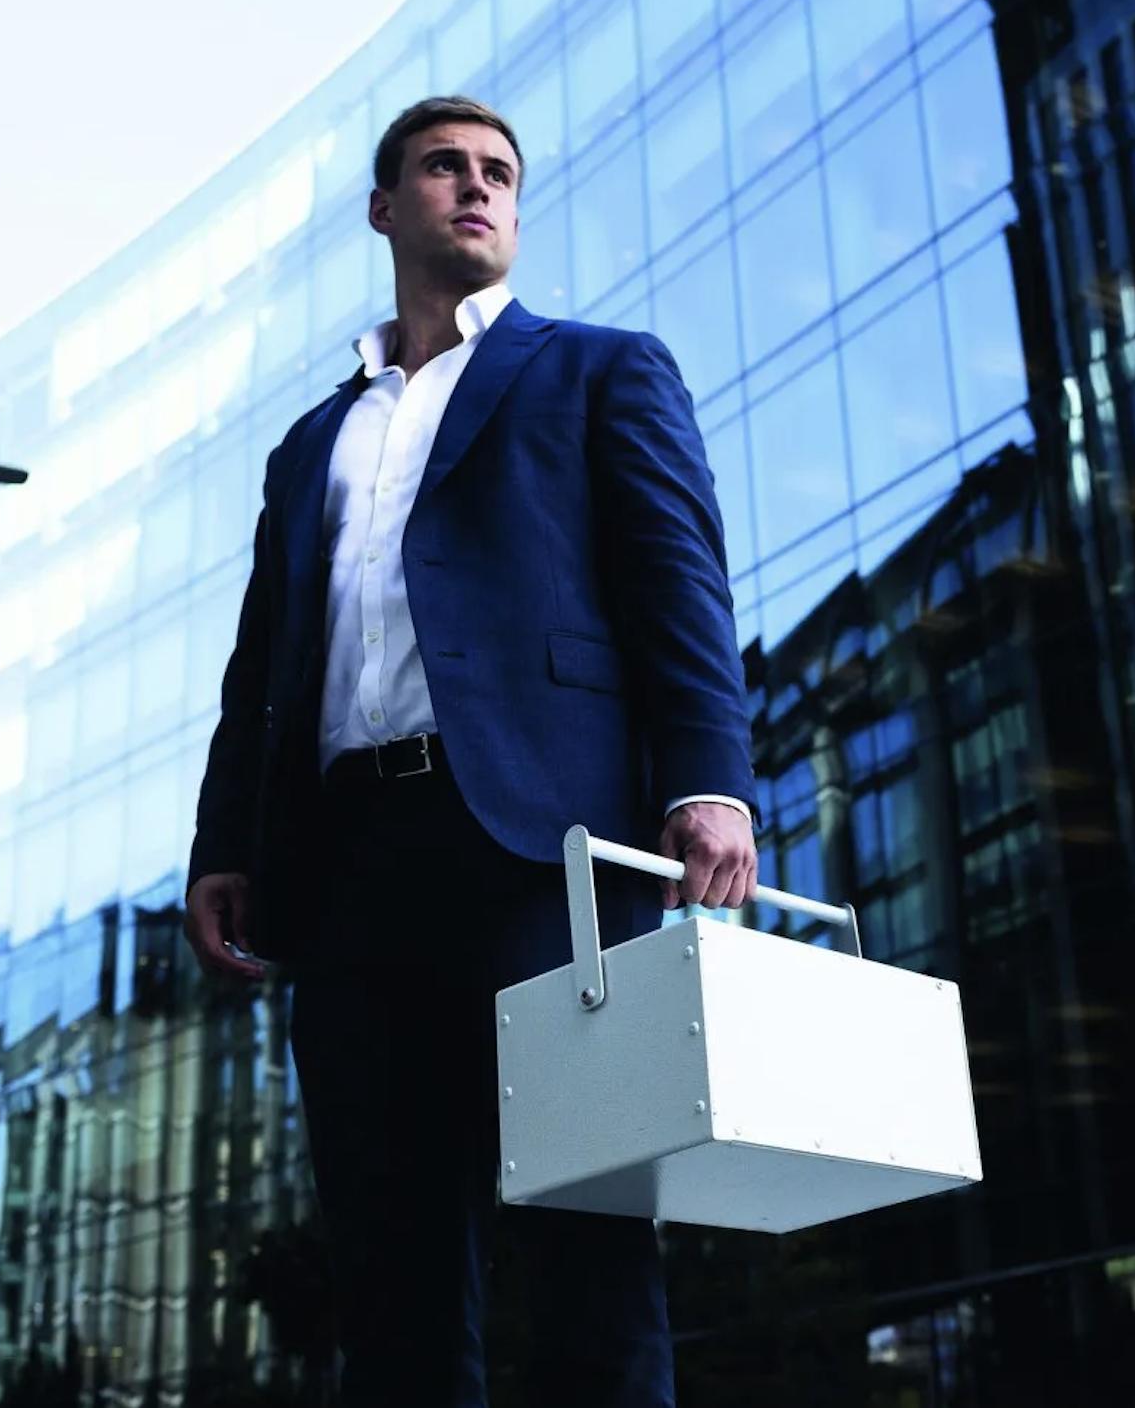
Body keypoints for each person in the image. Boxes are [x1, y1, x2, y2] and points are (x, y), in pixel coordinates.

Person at [182, 95, 757, 1407]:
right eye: (443, 167)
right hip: (346, 872)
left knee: (586, 1256)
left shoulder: (600, 369)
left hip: (545, 859)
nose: (476, 187)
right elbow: (260, 673)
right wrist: (226, 850)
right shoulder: (309, 444)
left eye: (497, 170)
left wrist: (708, 782)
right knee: (390, 1277)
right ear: (386, 209)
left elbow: (678, 587)